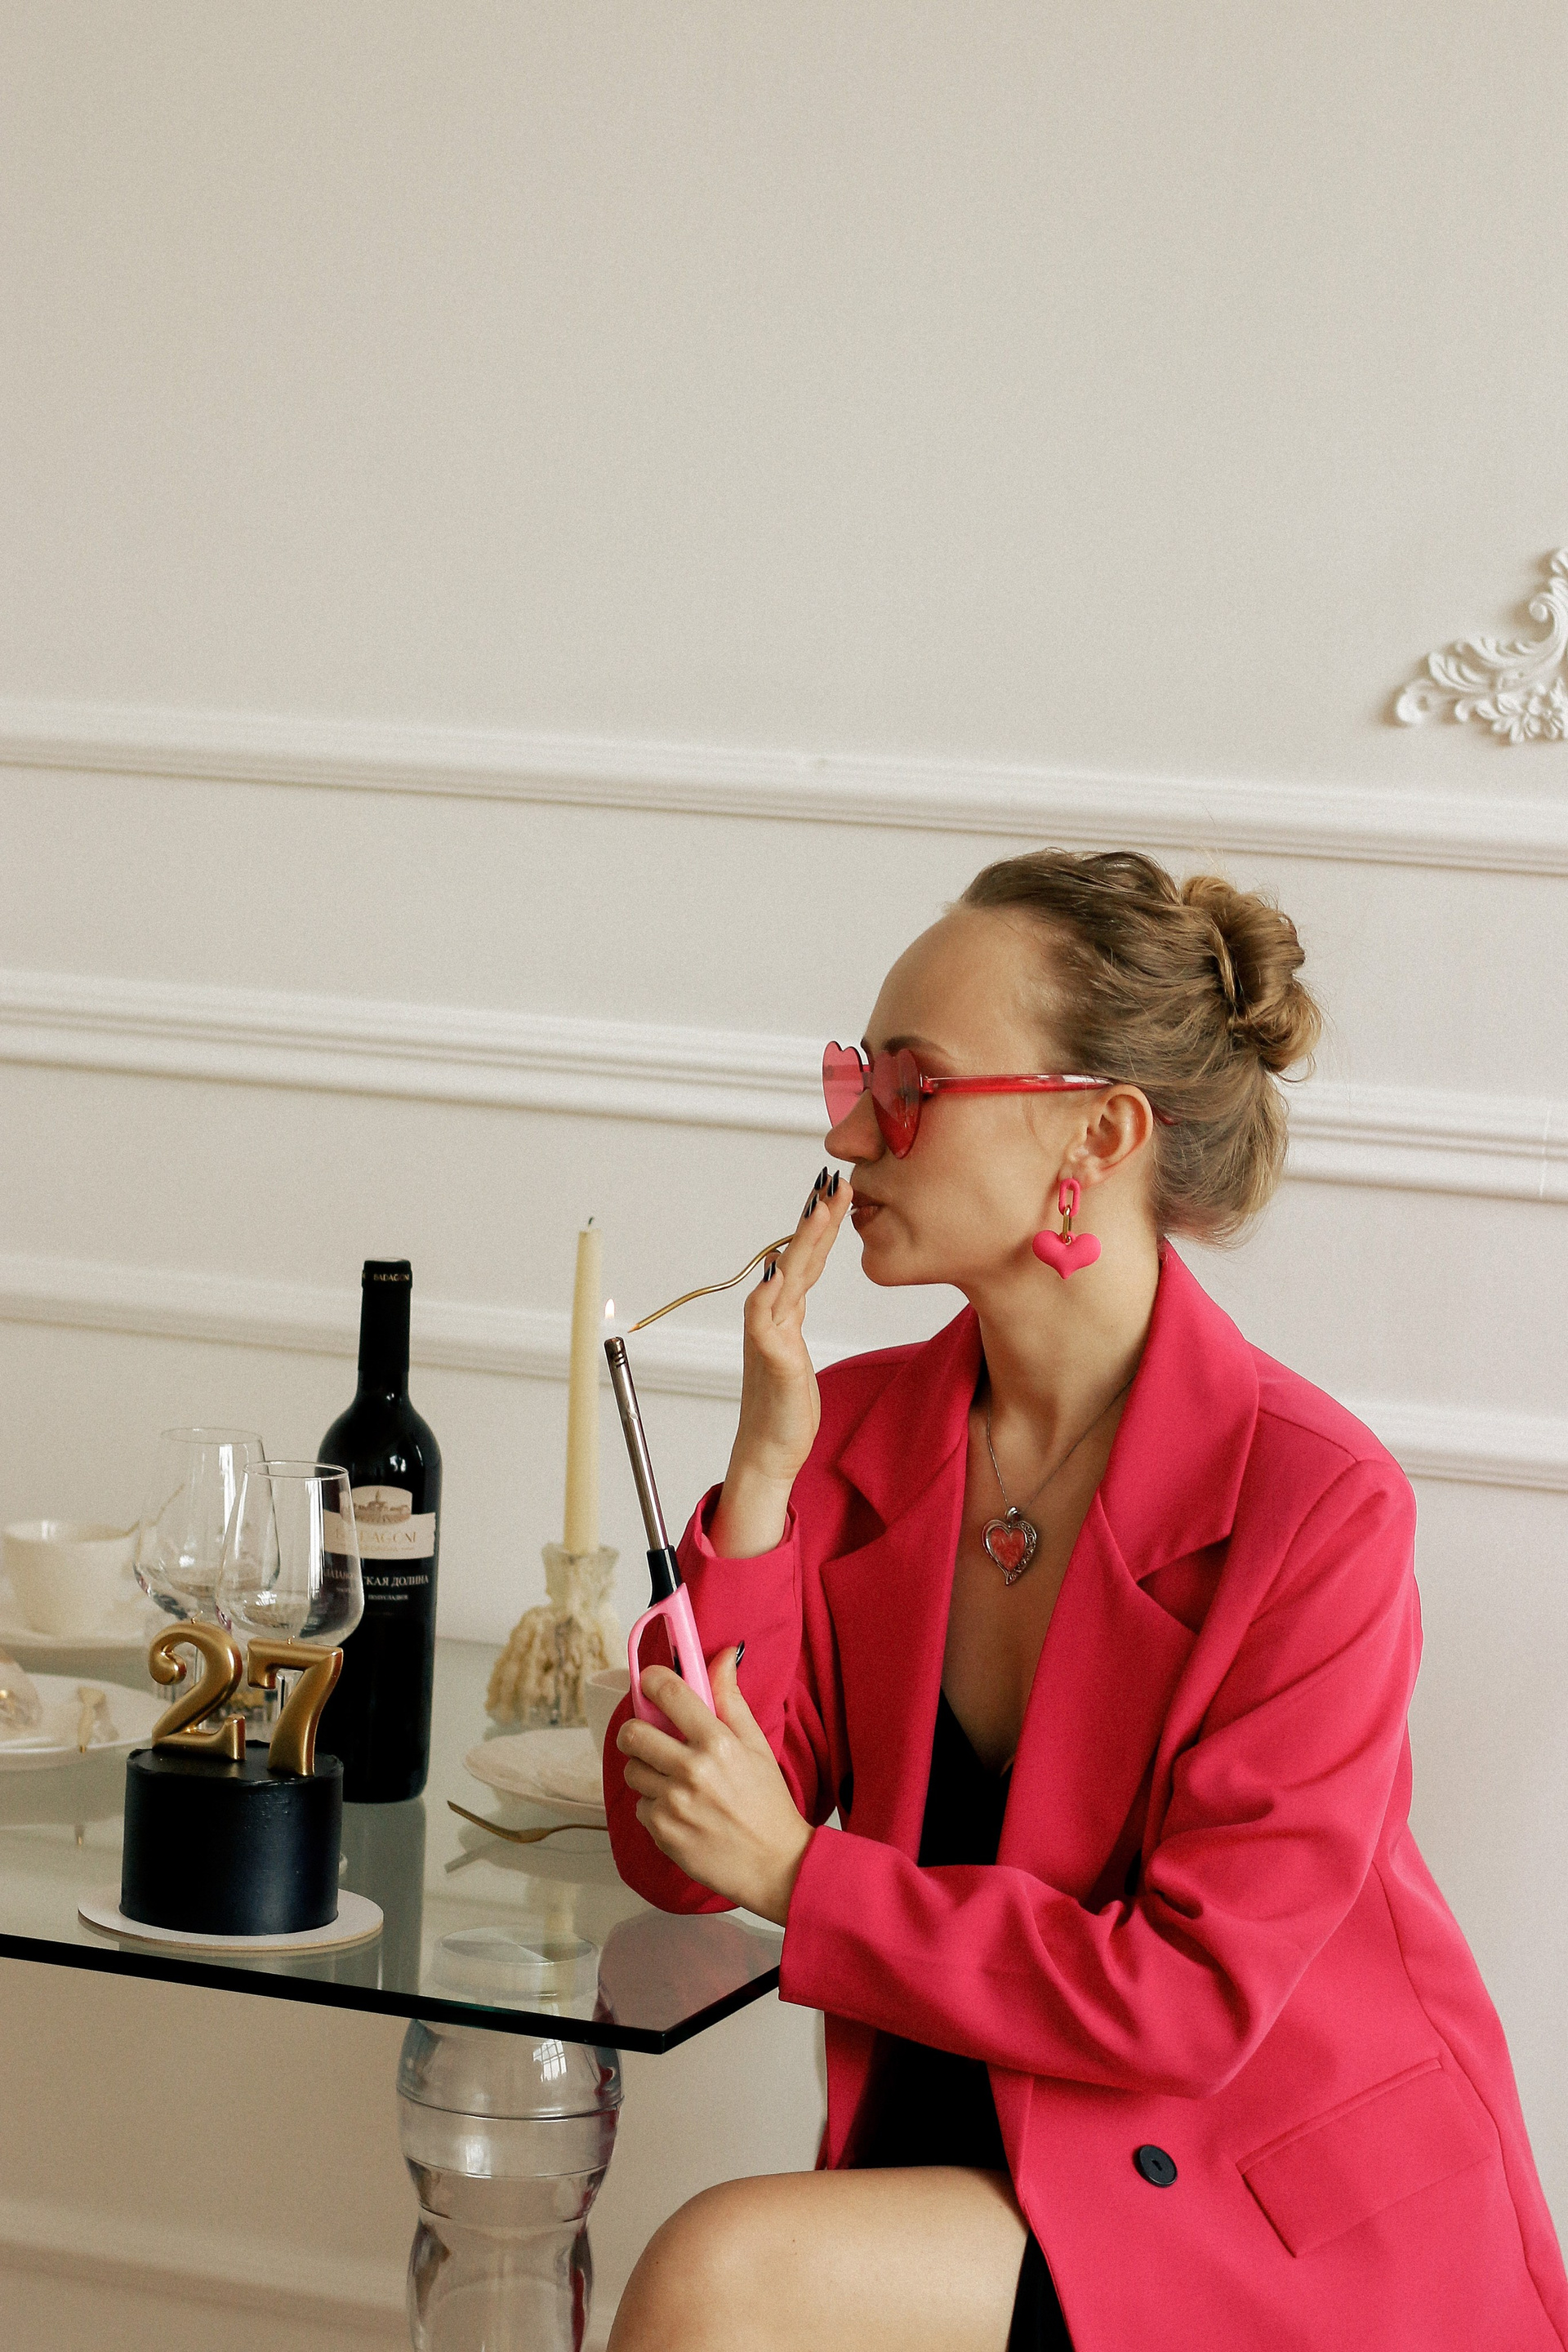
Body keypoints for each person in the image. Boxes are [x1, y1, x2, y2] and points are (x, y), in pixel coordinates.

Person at [601, 849, 1568, 2352]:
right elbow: (672, 1859)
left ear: (1098, 1134)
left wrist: (805, 1877)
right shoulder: (853, 1435)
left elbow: (1188, 2000)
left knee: (719, 2274)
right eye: (856, 1074)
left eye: (910, 1086)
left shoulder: (1320, 1507)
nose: (849, 1131)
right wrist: (762, 1483)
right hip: (976, 2171)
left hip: (1264, 2211)